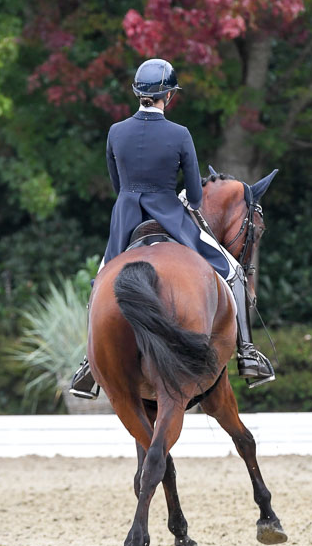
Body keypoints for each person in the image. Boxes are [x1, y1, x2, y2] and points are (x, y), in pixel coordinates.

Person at [70, 58, 275, 399]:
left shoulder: (116, 132)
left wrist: (132, 198)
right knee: (232, 271)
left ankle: (89, 364)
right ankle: (248, 353)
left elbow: (117, 184)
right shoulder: (179, 134)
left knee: (102, 279)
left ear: (137, 92)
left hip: (126, 219)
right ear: (169, 96)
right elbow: (194, 196)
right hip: (170, 215)